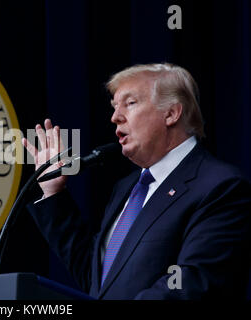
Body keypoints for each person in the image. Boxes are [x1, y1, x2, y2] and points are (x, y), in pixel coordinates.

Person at [22, 63, 251, 299]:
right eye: (114, 107)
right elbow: (97, 281)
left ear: (171, 113)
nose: (114, 117)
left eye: (130, 104)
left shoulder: (220, 186)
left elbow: (192, 283)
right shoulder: (126, 188)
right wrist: (53, 192)